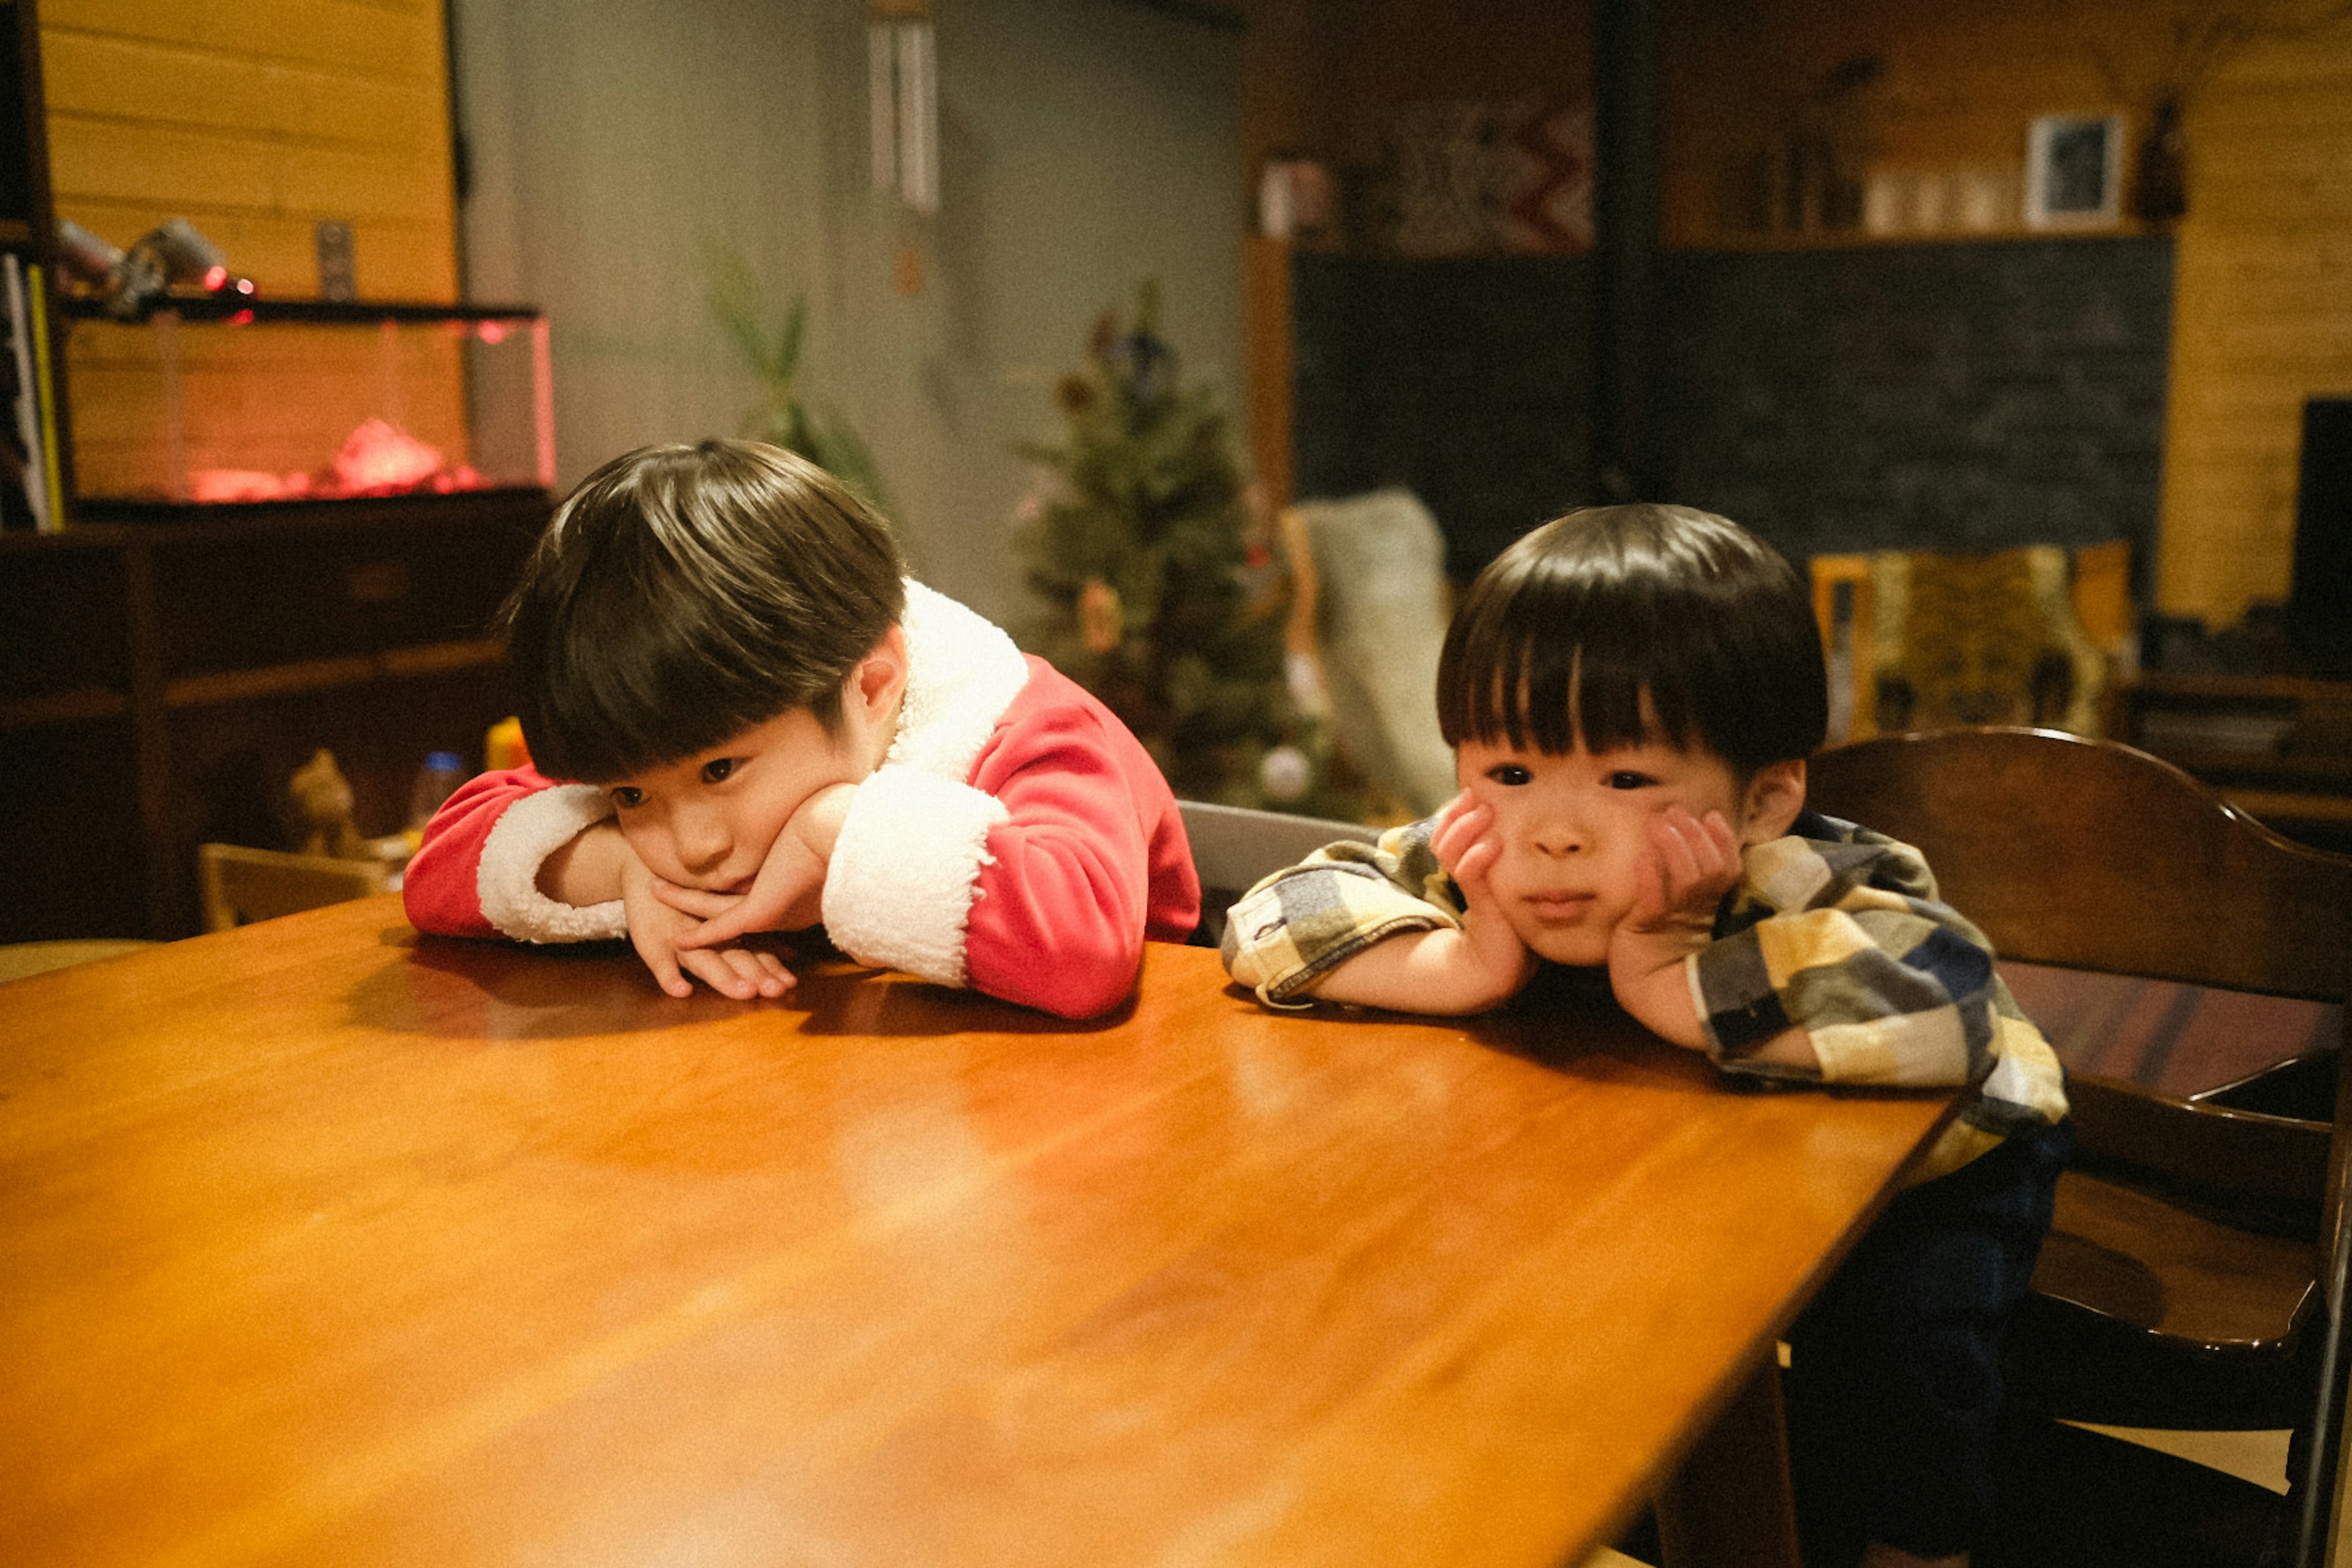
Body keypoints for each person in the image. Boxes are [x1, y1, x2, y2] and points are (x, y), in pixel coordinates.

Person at [1221, 503, 2071, 1568]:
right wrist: (1464, 964)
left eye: (1625, 780)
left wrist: (1675, 976)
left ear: (1763, 800)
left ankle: (1921, 1544)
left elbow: (1948, 1009)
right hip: (1689, 1162)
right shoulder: (1480, 856)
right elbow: (1265, 920)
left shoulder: (1800, 875)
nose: (1553, 829)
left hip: (1935, 1173)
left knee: (1896, 1374)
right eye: (1510, 771)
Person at [404, 438, 1199, 1020]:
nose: (691, 846)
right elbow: (440, 866)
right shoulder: (688, 724)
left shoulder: (1023, 726)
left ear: (875, 683)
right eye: (631, 792)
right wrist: (615, 867)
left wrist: (837, 826)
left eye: (721, 773)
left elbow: (1087, 949)